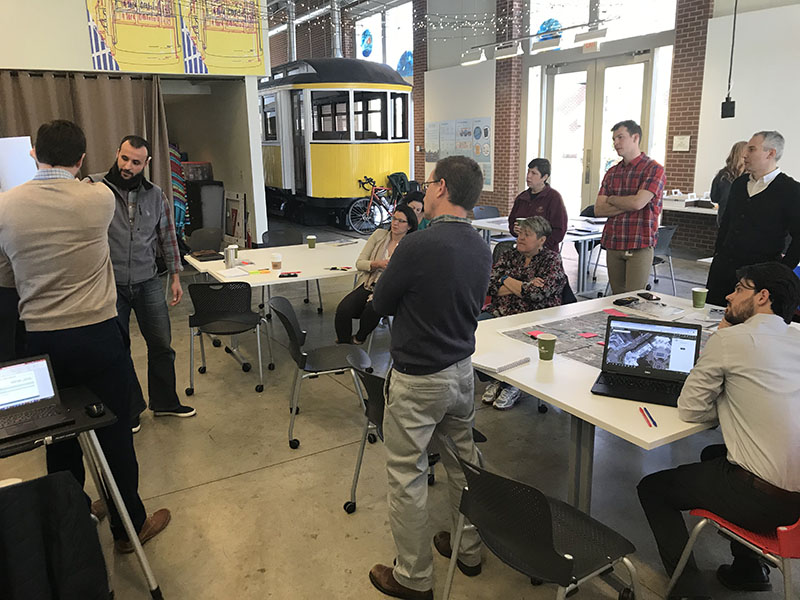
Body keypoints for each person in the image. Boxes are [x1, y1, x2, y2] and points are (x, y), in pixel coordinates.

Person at [0, 120, 170, 553]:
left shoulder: (6, 206)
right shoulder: (97, 199)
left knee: (57, 436)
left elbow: (6, 279)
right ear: (81, 159)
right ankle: (128, 527)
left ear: (33, 153)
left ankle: (72, 517)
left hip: (39, 340)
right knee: (113, 431)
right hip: (96, 333)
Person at [368, 155, 492, 600]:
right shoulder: (482, 246)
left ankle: (414, 577)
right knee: (465, 467)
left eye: (429, 181)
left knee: (406, 475)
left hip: (419, 378)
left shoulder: (418, 245)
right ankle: (470, 550)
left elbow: (380, 301)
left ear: (440, 189)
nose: (425, 187)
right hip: (462, 373)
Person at [637, 262, 800, 599]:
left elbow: (691, 409)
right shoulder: (796, 337)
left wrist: (723, 354)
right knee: (714, 454)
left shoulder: (730, 340)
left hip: (764, 502)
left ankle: (688, 591)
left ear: (762, 297)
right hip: (796, 504)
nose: (729, 294)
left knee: (652, 488)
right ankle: (748, 570)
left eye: (740, 288)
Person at [89, 135, 195, 431]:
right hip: (111, 285)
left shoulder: (156, 194)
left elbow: (167, 237)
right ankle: (131, 409)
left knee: (161, 344)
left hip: (148, 281)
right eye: (124, 158)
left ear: (146, 164)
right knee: (119, 350)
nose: (128, 166)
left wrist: (176, 275)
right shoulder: (94, 188)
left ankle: (165, 403)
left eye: (136, 162)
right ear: (117, 153)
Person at [480, 216, 566, 409]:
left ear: (541, 240)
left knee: (515, 338)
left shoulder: (551, 260)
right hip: (501, 311)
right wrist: (523, 284)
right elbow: (488, 287)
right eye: (520, 233)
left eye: (527, 235)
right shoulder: (510, 255)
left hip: (534, 317)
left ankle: (512, 383)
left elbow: (537, 295)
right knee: (474, 329)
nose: (520, 238)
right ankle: (497, 376)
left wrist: (505, 279)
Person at [706, 131, 800, 307]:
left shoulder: (791, 190)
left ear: (770, 153)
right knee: (713, 313)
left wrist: (782, 270)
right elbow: (727, 223)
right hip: (725, 268)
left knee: (748, 321)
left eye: (751, 149)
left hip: (759, 275)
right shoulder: (739, 184)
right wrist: (718, 253)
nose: (744, 154)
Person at [594, 120, 666, 294]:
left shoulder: (654, 169)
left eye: (620, 137)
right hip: (614, 241)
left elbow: (638, 203)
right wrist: (630, 202)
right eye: (614, 139)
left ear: (635, 138)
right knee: (616, 298)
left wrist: (612, 199)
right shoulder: (612, 172)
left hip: (639, 241)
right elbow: (598, 210)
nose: (616, 143)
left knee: (635, 299)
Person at [334, 203, 417, 344]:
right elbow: (360, 263)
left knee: (372, 309)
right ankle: (343, 344)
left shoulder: (411, 245)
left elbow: (410, 275)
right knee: (343, 310)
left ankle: (359, 339)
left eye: (401, 221)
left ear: (409, 226)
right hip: (369, 283)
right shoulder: (379, 235)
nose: (395, 223)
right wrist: (377, 264)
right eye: (394, 219)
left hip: (390, 289)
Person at [508, 158, 568, 251]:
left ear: (544, 177)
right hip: (523, 250)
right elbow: (512, 221)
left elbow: (559, 231)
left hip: (545, 252)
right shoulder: (522, 197)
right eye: (528, 172)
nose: (528, 176)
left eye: (534, 173)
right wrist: (515, 230)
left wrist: (540, 245)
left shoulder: (553, 198)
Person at [711, 140, 746, 226]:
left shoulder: (722, 175)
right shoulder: (751, 176)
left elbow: (714, 197)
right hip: (743, 220)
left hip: (724, 218)